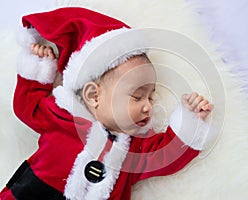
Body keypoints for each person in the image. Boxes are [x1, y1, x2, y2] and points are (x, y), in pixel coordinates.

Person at [0, 7, 213, 200]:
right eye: (137, 96)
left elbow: (166, 156)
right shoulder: (63, 116)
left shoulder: (133, 150)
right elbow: (27, 106)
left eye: (151, 97)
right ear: (94, 95)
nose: (148, 106)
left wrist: (190, 119)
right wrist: (39, 66)